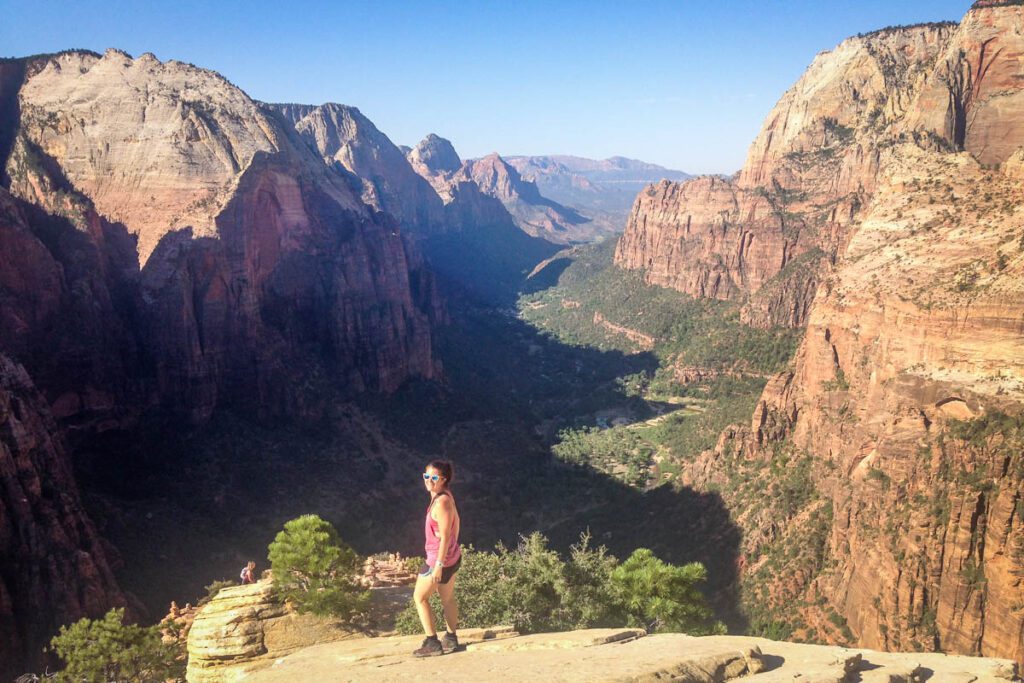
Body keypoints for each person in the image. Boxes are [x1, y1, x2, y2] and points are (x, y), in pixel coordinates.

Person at [412, 460, 462, 657]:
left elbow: (446, 535)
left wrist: (439, 565)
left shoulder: (441, 502)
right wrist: (452, 550)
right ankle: (451, 637)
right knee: (447, 598)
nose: (429, 481)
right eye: (426, 477)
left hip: (438, 560)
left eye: (434, 478)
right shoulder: (446, 496)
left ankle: (432, 643)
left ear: (444, 479)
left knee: (420, 597)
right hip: (452, 557)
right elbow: (456, 525)